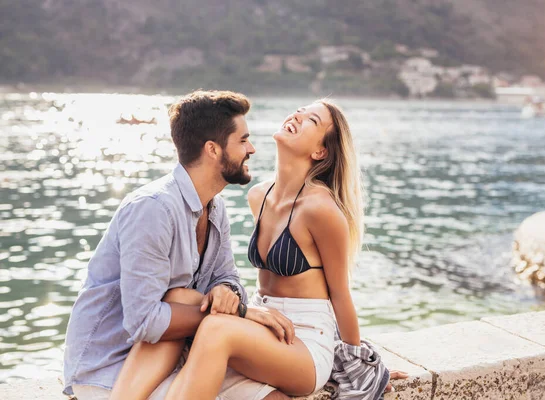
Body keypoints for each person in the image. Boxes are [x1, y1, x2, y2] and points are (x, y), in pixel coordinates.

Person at [111, 99, 407, 400]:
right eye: (300, 111)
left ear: (320, 151)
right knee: (179, 297)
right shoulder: (258, 195)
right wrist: (238, 305)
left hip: (305, 341)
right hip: (267, 328)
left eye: (312, 121)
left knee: (216, 329)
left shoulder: (322, 208)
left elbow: (341, 295)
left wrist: (359, 365)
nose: (297, 116)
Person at [63, 89, 294, 400]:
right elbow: (144, 322)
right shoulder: (153, 209)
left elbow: (229, 278)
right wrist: (240, 314)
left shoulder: (215, 206)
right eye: (242, 140)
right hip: (115, 367)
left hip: (187, 350)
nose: (251, 148)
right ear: (213, 149)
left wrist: (226, 293)